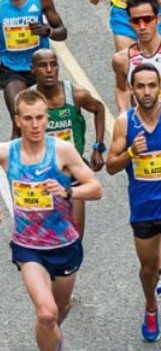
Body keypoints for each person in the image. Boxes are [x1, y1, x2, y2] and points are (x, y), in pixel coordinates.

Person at [0, 89, 102, 351]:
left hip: (64, 245)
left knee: (60, 308)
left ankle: (53, 333)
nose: (36, 125)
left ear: (46, 118)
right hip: (28, 247)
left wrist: (66, 190)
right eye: (29, 119)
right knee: (46, 313)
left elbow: (95, 187)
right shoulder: (6, 152)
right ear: (17, 120)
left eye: (40, 118)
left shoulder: (61, 150)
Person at [107, 63, 161, 342]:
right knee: (148, 268)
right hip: (144, 210)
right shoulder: (125, 123)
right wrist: (130, 152)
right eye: (141, 86)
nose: (147, 91)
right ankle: (151, 306)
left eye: (152, 85)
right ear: (132, 89)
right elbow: (111, 167)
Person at [30, 48, 107, 236]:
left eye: (53, 64)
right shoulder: (28, 100)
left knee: (75, 234)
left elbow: (99, 109)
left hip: (73, 171)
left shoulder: (76, 94)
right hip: (42, 173)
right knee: (46, 234)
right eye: (43, 65)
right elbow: (16, 135)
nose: (49, 70)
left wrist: (98, 148)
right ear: (33, 70)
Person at [113, 0, 161, 111]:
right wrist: (124, 117)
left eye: (147, 19)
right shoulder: (122, 60)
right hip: (143, 126)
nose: (142, 26)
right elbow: (122, 89)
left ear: (157, 19)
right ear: (130, 23)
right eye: (136, 21)